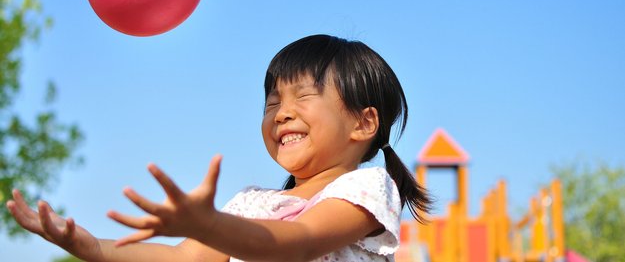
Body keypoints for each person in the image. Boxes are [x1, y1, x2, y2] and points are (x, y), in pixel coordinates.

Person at [6, 34, 430, 261]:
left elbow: (297, 242)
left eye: (303, 96)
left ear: (363, 122)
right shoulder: (249, 204)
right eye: (272, 102)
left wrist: (207, 224)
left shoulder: (367, 189)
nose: (281, 113)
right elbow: (184, 260)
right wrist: (90, 246)